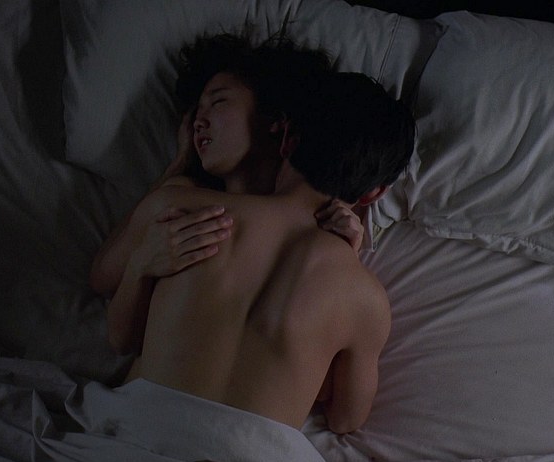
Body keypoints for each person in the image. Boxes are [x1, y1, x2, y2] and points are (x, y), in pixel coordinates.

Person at [119, 70, 416, 434]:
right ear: (375, 194)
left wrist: (138, 266)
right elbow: (345, 419)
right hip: (251, 456)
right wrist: (345, 263)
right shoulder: (365, 300)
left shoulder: (176, 208)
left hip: (136, 440)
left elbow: (122, 341)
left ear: (287, 140)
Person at [91, 34, 367, 355]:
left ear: (274, 119)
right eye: (197, 112)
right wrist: (177, 167)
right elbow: (103, 280)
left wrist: (348, 255)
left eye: (218, 102)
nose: (198, 122)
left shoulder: (318, 217)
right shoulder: (183, 201)